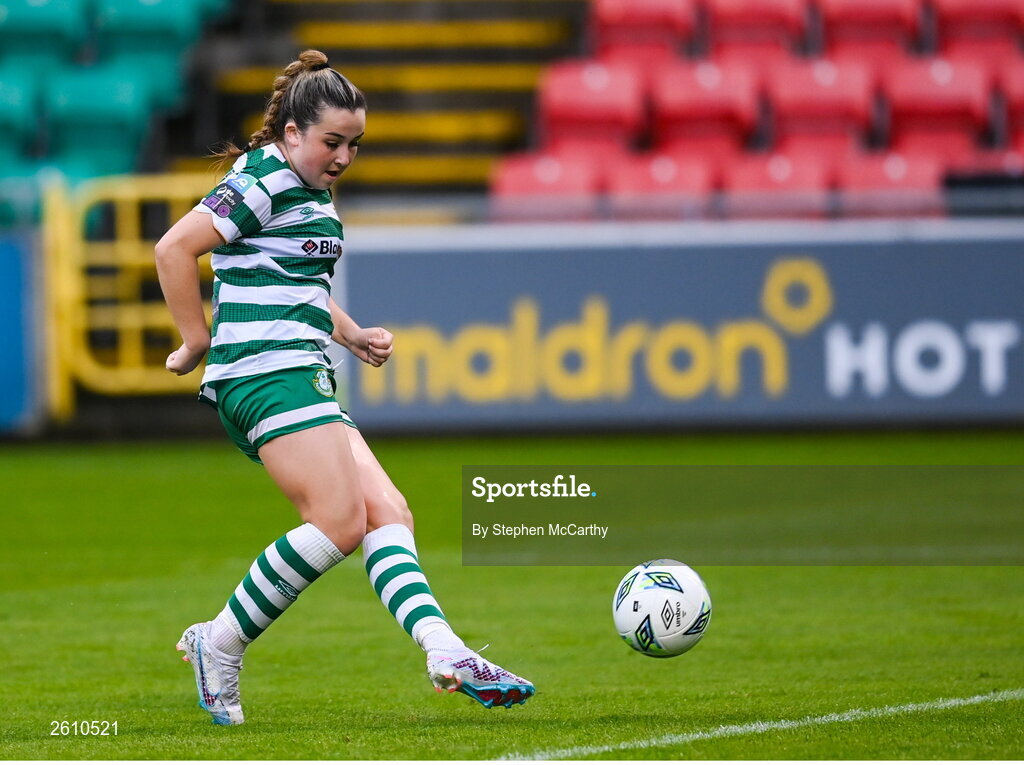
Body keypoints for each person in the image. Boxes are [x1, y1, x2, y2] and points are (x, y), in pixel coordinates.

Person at [154, 49, 534, 726]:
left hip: (299, 368)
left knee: (389, 513)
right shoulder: (265, 177)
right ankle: (219, 643)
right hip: (263, 371)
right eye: (333, 141)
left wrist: (351, 332)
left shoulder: (307, 188)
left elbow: (291, 280)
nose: (343, 157)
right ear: (293, 132)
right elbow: (174, 248)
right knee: (337, 521)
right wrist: (196, 339)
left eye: (355, 145)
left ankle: (443, 649)